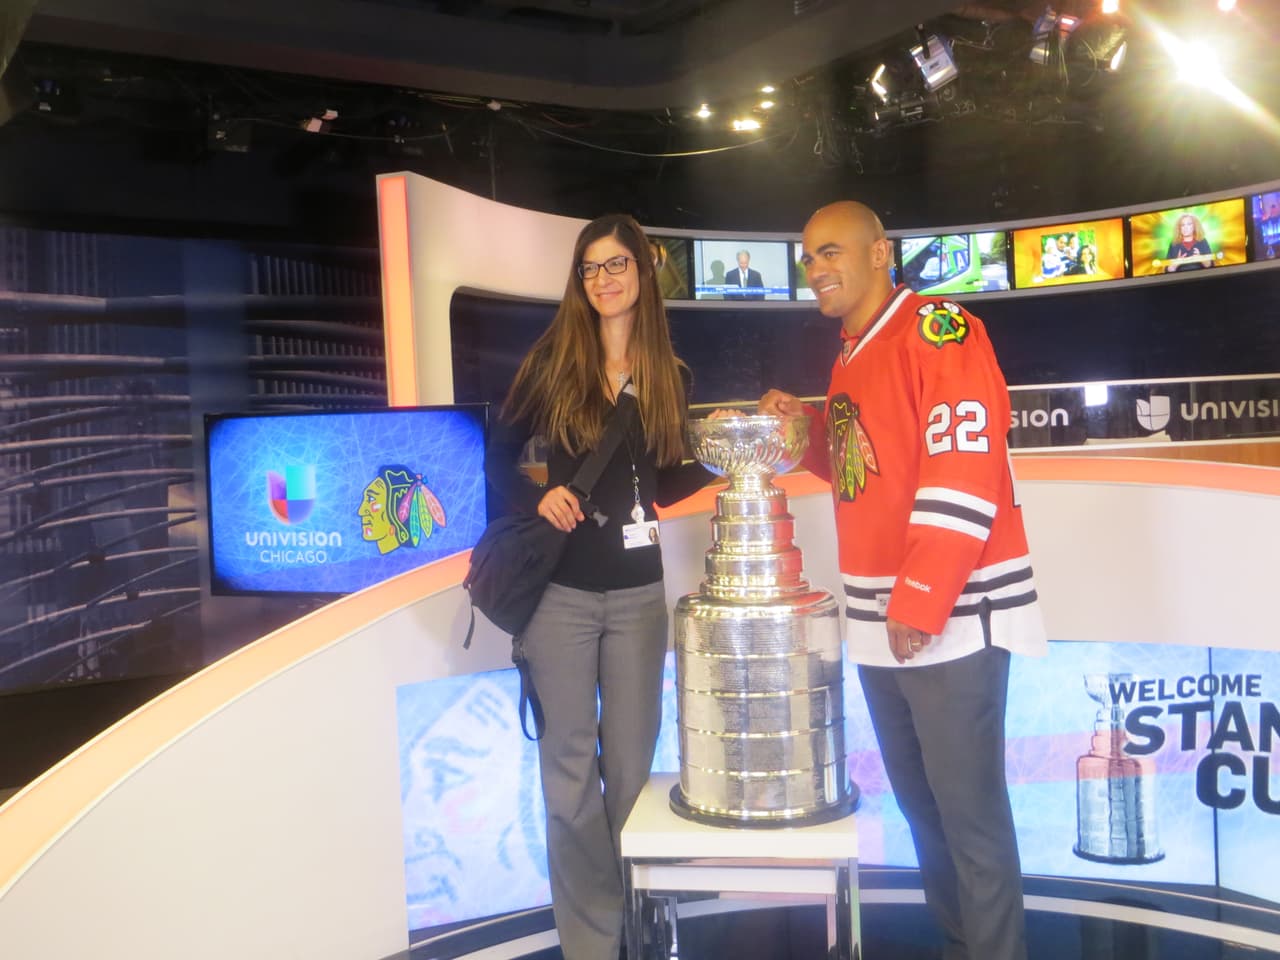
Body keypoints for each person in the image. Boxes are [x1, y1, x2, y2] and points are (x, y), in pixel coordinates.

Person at [759, 201, 1047, 960]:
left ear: (881, 251)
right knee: (928, 819)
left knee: (972, 823)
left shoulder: (938, 329)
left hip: (951, 614)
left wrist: (923, 595)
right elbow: (862, 469)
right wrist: (807, 434)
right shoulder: (853, 351)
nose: (817, 269)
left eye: (831, 252)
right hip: (882, 622)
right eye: (808, 259)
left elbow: (967, 468)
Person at [487, 213, 712, 960]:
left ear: (643, 274)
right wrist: (534, 498)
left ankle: (636, 926)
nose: (604, 279)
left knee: (633, 769)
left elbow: (669, 476)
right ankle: (592, 942)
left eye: (617, 265)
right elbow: (495, 456)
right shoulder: (554, 360)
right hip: (561, 594)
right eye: (591, 268)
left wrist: (733, 457)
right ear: (578, 281)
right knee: (570, 777)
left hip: (640, 597)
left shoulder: (669, 374)